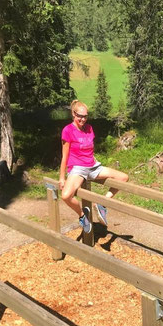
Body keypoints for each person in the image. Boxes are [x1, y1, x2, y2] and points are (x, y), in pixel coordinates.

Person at [59, 99, 129, 234]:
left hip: (93, 166)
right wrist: (62, 177)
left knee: (123, 178)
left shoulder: (89, 128)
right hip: (78, 168)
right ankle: (82, 216)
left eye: (85, 116)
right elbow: (65, 156)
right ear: (74, 114)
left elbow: (89, 147)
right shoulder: (68, 130)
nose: (83, 119)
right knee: (66, 196)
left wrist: (93, 158)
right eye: (80, 116)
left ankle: (102, 203)